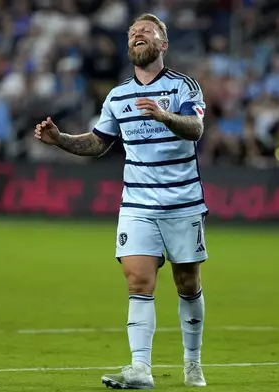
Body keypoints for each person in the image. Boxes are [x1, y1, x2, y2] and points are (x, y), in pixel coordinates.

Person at [34, 13, 208, 389]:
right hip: (137, 204)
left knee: (187, 283)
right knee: (138, 282)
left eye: (146, 31)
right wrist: (61, 139)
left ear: (163, 44)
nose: (138, 36)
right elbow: (99, 142)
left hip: (182, 202)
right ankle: (140, 369)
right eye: (132, 34)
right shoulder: (118, 96)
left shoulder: (184, 87)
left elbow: (196, 128)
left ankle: (192, 363)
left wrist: (165, 117)